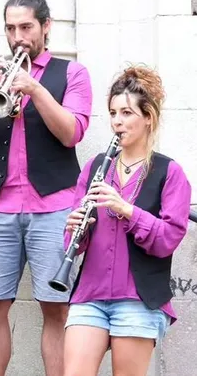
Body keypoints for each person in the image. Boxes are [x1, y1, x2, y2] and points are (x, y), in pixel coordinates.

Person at [0, 0, 93, 376]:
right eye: (11, 28)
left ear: (45, 27)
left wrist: (35, 89)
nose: (18, 37)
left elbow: (72, 134)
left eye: (26, 27)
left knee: (57, 306)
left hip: (54, 205)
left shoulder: (71, 74)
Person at [62, 65, 191, 375]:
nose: (117, 121)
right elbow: (73, 244)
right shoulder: (96, 167)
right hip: (89, 295)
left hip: (138, 299)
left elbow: (167, 239)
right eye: (113, 113)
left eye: (127, 113)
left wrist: (128, 209)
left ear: (148, 117)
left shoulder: (169, 173)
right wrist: (73, 229)